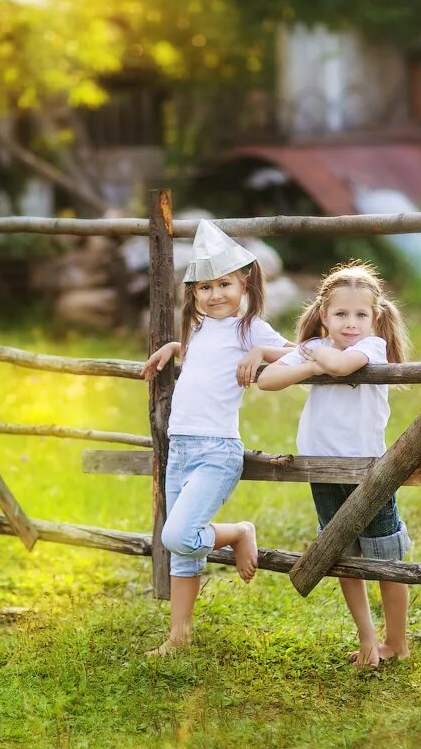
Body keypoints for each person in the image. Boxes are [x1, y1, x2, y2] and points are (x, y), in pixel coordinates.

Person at [141, 221, 294, 657]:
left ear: (244, 282)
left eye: (224, 283)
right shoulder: (201, 328)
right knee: (183, 551)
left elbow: (301, 352)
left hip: (216, 451)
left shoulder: (252, 329)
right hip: (182, 449)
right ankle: (179, 635)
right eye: (204, 287)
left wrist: (261, 353)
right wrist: (174, 348)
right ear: (194, 293)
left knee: (179, 535)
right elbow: (201, 358)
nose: (215, 294)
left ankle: (239, 531)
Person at [257, 260, 413, 668]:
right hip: (322, 466)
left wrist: (310, 357)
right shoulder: (317, 346)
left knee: (385, 559)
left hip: (368, 469)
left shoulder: (370, 347)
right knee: (341, 554)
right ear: (324, 315)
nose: (351, 322)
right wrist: (305, 357)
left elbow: (342, 366)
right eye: (341, 314)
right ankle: (367, 639)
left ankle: (397, 642)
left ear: (374, 318)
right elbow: (267, 380)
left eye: (361, 315)